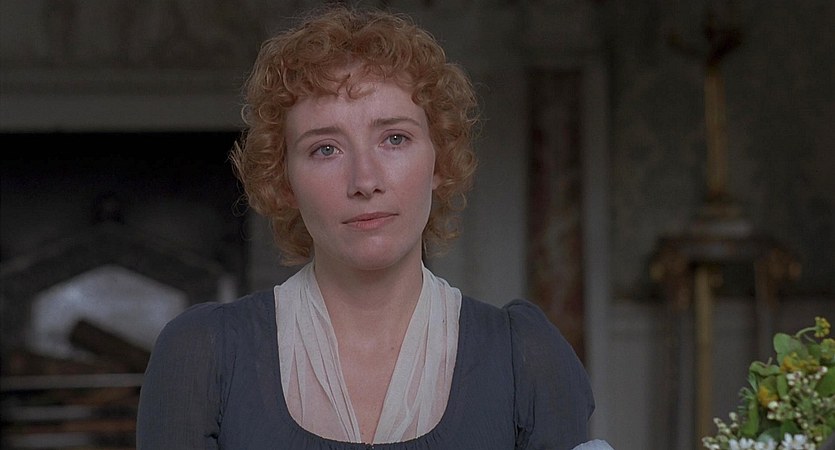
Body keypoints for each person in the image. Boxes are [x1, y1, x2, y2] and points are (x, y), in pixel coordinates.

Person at [136, 4, 601, 449]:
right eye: (325, 149)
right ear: (284, 181)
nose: (365, 181)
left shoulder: (527, 358)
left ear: (439, 160)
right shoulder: (202, 355)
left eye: (394, 139)